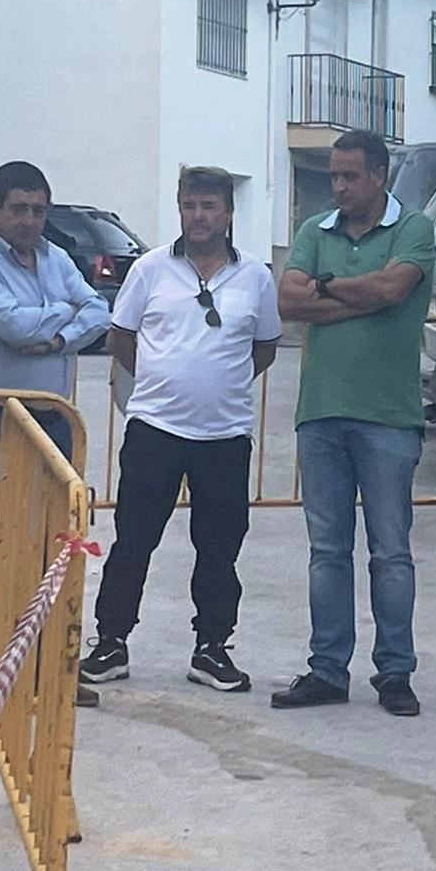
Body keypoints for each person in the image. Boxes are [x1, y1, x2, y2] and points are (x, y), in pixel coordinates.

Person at [79, 167, 281, 693]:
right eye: (191, 205)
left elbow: (264, 349)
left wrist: (219, 381)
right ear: (180, 209)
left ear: (229, 214)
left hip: (224, 436)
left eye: (210, 206)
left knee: (219, 547)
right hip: (156, 430)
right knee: (134, 540)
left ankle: (211, 648)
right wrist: (158, 379)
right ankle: (111, 642)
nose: (199, 216)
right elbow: (120, 338)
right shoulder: (149, 270)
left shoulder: (256, 276)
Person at [271, 132, 436, 717]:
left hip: (389, 416)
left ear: (379, 175)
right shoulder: (315, 230)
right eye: (333, 177)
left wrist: (325, 288)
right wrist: (357, 296)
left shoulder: (413, 228)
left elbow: (395, 289)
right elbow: (289, 302)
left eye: (349, 176)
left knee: (390, 552)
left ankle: (395, 672)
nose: (338, 187)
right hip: (320, 413)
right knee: (327, 551)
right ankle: (327, 670)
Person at [0, 160, 110, 456]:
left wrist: (59, 341)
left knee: (54, 504)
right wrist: (69, 310)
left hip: (56, 417)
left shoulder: (57, 257)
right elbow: (17, 328)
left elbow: (100, 312)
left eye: (38, 211)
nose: (29, 220)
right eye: (18, 209)